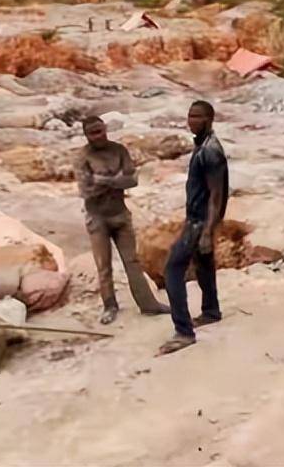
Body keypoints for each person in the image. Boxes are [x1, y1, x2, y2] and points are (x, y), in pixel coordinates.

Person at [74, 116, 170, 324]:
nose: (98, 136)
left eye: (100, 131)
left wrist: (104, 180)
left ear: (105, 129)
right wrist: (116, 180)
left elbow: (132, 180)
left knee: (132, 262)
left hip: (120, 214)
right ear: (86, 135)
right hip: (97, 217)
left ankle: (148, 304)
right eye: (93, 133)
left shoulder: (119, 150)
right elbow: (86, 191)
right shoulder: (83, 156)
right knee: (103, 266)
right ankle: (110, 306)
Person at [159, 100, 229, 355]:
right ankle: (211, 310)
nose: (191, 120)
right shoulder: (203, 145)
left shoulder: (210, 151)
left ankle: (183, 331)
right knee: (203, 264)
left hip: (200, 221)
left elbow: (216, 195)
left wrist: (208, 231)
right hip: (199, 218)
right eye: (189, 116)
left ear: (209, 119)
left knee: (172, 270)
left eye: (197, 116)